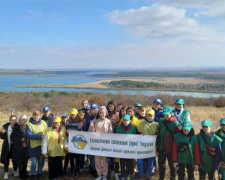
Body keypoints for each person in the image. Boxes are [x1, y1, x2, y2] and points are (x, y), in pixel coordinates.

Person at [156, 106, 181, 180]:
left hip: (171, 150)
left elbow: (180, 138)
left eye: (167, 114)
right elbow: (158, 133)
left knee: (172, 166)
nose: (165, 116)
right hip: (161, 148)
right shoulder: (161, 122)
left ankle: (172, 178)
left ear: (171, 113)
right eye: (164, 114)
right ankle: (161, 178)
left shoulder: (176, 124)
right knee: (161, 166)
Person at [90, 106, 113, 180]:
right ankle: (99, 174)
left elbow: (111, 133)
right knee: (97, 160)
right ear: (99, 113)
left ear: (106, 113)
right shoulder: (95, 121)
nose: (102, 114)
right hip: (97, 144)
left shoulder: (108, 121)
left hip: (105, 144)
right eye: (100, 113)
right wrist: (92, 127)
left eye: (103, 113)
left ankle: (105, 175)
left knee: (105, 160)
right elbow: (93, 132)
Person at [136, 109, 159, 180]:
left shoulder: (156, 124)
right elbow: (136, 133)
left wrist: (156, 135)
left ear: (154, 116)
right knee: (139, 161)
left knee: (150, 162)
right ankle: (141, 175)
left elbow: (158, 134)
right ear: (146, 115)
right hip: (141, 147)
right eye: (148, 115)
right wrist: (139, 134)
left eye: (151, 116)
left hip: (151, 147)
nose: (149, 117)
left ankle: (148, 175)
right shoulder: (140, 123)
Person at [26, 110, 47, 180]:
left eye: (37, 115)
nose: (36, 117)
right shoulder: (29, 124)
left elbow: (47, 131)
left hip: (42, 146)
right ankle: (32, 174)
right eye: (35, 115)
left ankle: (39, 173)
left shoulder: (43, 122)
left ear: (39, 116)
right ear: (32, 116)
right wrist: (40, 137)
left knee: (41, 161)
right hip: (33, 146)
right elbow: (29, 135)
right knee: (33, 162)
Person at [116, 114, 137, 180]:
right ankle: (122, 175)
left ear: (130, 121)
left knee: (129, 162)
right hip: (122, 149)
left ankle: (127, 175)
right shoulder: (118, 128)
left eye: (127, 120)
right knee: (122, 162)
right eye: (124, 120)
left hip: (129, 149)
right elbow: (116, 137)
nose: (125, 122)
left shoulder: (133, 128)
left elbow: (135, 137)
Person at [0, 115, 20, 179]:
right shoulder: (6, 127)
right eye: (12, 120)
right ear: (9, 120)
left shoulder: (18, 127)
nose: (13, 121)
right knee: (6, 160)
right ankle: (6, 173)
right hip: (6, 146)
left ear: (16, 120)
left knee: (14, 160)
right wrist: (2, 132)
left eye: (14, 120)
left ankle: (15, 170)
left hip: (14, 147)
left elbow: (19, 137)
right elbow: (2, 137)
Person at [65, 108, 83, 179]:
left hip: (77, 143)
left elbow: (81, 131)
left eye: (74, 114)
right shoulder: (68, 122)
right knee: (71, 158)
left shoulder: (80, 122)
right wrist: (67, 132)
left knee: (77, 158)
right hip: (70, 142)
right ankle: (72, 170)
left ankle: (77, 171)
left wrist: (78, 128)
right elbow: (65, 131)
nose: (73, 116)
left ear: (77, 114)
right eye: (72, 114)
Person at [17, 115, 30, 179]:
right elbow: (13, 138)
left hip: (26, 147)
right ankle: (21, 174)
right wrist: (20, 139)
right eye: (21, 119)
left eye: (23, 119)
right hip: (19, 147)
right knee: (20, 162)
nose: (22, 121)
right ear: (19, 120)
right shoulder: (17, 127)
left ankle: (25, 173)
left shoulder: (28, 127)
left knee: (25, 161)